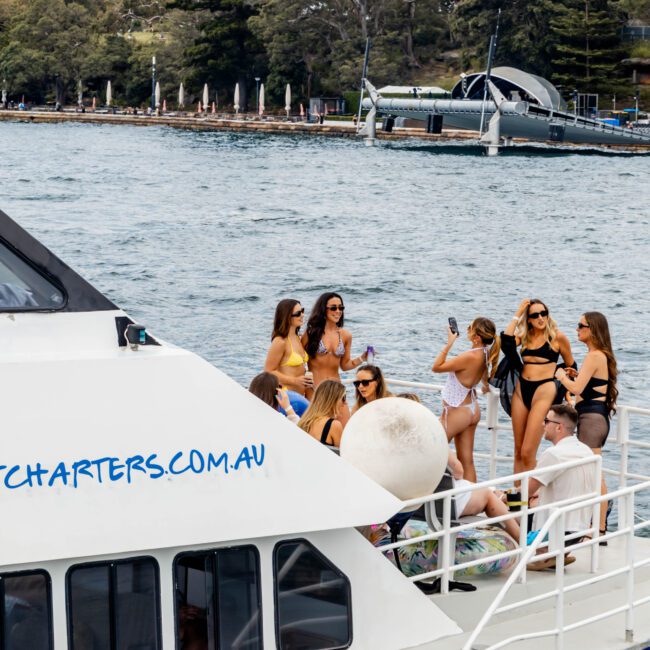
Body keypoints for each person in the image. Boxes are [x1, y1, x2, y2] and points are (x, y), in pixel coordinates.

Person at [554, 311, 618, 539]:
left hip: (591, 421)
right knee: (591, 474)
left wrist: (561, 375)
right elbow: (589, 385)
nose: (577, 329)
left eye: (581, 326)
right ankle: (596, 526)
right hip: (593, 418)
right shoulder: (598, 356)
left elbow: (577, 389)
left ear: (593, 330)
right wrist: (577, 375)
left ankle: (598, 530)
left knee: (595, 475)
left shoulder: (594, 356)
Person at [505, 299, 574, 476]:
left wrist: (568, 392)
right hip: (521, 390)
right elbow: (506, 342)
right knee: (518, 451)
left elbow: (572, 367)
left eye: (544, 313)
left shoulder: (557, 337)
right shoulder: (524, 337)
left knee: (528, 452)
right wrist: (518, 312)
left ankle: (530, 497)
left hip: (544, 390)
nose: (540, 318)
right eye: (535, 315)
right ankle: (517, 501)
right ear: (528, 319)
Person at [526, 404, 598, 568]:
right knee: (534, 499)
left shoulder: (553, 454)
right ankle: (557, 554)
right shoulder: (586, 450)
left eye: (546, 421)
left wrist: (501, 496)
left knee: (505, 507)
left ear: (559, 427)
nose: (542, 425)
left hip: (556, 532)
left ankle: (540, 554)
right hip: (578, 530)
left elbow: (525, 492)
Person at [432, 317, 500, 482]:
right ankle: (471, 499)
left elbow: (436, 367)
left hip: (458, 411)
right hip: (472, 409)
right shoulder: (485, 353)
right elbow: (483, 376)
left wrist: (449, 343)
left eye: (470, 327)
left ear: (477, 337)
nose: (467, 329)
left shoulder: (469, 356)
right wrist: (484, 385)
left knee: (433, 448)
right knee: (467, 461)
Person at [303, 292, 368, 421]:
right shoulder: (311, 333)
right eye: (333, 308)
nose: (338, 311)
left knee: (344, 429)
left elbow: (344, 365)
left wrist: (362, 358)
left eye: (341, 308)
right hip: (315, 390)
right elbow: (299, 361)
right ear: (323, 309)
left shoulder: (345, 335)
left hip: (337, 391)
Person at [447, 450, 520, 542]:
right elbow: (458, 472)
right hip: (444, 503)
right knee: (488, 495)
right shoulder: (435, 440)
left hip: (425, 501)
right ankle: (521, 540)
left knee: (486, 490)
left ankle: (501, 498)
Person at [264, 299, 312, 396]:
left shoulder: (298, 337)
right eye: (298, 313)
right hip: (287, 396)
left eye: (302, 311)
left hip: (301, 395)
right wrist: (295, 381)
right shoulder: (280, 342)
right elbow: (268, 372)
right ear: (287, 317)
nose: (302, 315)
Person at [298, 380, 347, 447]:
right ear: (332, 400)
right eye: (343, 398)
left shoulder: (304, 422)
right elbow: (343, 454)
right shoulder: (334, 425)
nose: (345, 403)